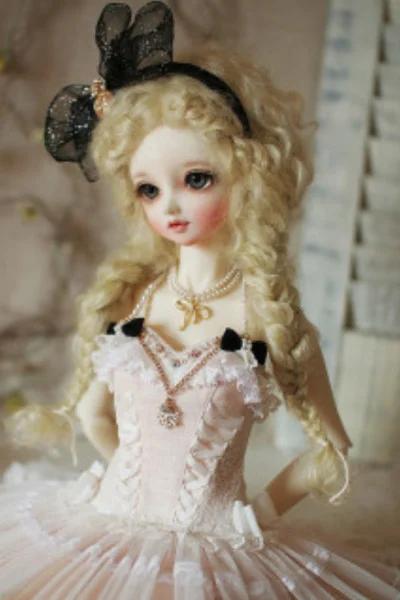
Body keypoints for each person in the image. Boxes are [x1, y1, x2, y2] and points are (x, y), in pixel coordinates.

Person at [1, 2, 399, 598]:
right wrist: (130, 480)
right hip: (105, 525)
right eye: (148, 189)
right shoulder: (135, 298)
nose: (169, 205)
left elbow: (333, 447)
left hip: (220, 545)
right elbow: (92, 416)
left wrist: (258, 514)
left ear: (247, 176)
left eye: (196, 179)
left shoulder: (267, 313)